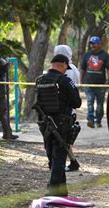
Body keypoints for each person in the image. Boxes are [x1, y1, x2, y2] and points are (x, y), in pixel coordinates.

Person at [35, 54, 82, 196]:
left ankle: (61, 193)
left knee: (53, 158)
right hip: (62, 124)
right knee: (59, 158)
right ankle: (52, 192)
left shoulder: (40, 80)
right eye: (66, 68)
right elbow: (77, 103)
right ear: (62, 64)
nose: (65, 71)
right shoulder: (65, 81)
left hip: (45, 124)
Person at [53, 45, 81, 172]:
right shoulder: (73, 68)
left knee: (63, 137)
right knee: (64, 138)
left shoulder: (68, 70)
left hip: (65, 109)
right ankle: (72, 160)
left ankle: (71, 161)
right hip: (67, 107)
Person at [80, 36, 109, 128]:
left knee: (100, 104)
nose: (93, 45)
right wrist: (81, 80)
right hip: (88, 83)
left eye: (95, 43)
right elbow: (82, 68)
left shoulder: (105, 55)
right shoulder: (87, 55)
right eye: (91, 43)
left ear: (99, 44)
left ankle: (98, 120)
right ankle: (90, 120)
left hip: (100, 84)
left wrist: (107, 81)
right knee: (90, 102)